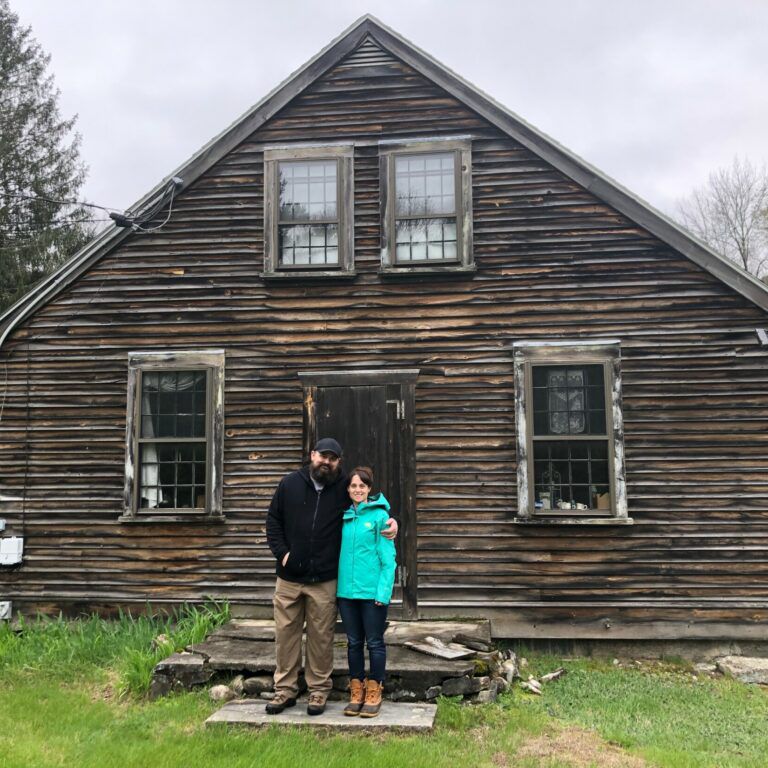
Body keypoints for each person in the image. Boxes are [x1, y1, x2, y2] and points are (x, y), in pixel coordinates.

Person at [265, 438, 398, 716]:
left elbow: (368, 502)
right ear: (312, 455)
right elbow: (273, 521)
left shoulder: (342, 488)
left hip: (324, 579)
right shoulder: (289, 484)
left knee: (321, 637)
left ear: (339, 462)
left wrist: (392, 521)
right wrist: (283, 554)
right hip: (289, 578)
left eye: (332, 458)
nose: (326, 462)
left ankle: (318, 691)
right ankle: (285, 691)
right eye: (322, 456)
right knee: (286, 634)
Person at [337, 466, 397, 718]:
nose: (357, 490)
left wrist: (383, 594)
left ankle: (374, 689)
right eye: (353, 486)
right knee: (353, 643)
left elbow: (389, 559)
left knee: (374, 642)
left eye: (362, 486)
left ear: (369, 489)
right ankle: (356, 689)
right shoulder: (343, 516)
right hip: (346, 593)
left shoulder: (381, 517)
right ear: (348, 489)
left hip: (372, 594)